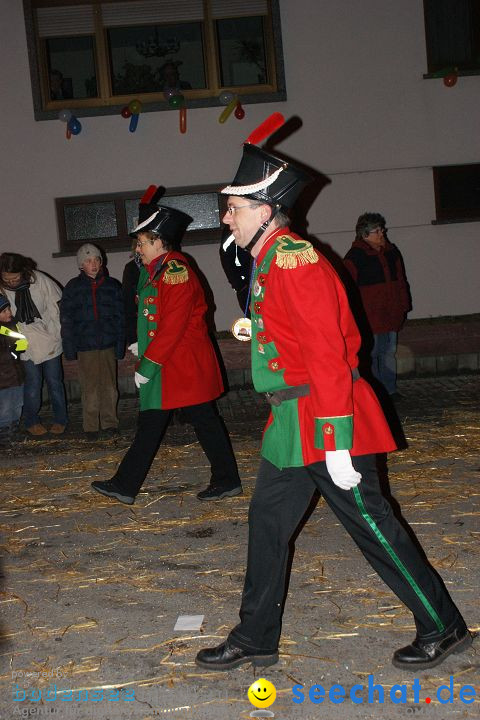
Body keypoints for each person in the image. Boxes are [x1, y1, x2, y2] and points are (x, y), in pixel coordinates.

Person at [195, 126, 471, 672]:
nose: (226, 217)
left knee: (373, 527)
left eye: (234, 208)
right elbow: (302, 335)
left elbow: (330, 357)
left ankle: (443, 625)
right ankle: (255, 636)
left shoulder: (295, 259)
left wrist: (336, 441)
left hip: (323, 416)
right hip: (289, 424)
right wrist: (260, 328)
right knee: (267, 524)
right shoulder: (272, 259)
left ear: (266, 209)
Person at [91, 197, 242, 504]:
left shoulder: (175, 269)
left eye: (143, 242)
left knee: (193, 421)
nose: (138, 249)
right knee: (177, 422)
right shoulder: (156, 269)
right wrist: (140, 345)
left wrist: (147, 365)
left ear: (159, 242)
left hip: (179, 365)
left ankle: (127, 484)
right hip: (171, 364)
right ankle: (127, 484)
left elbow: (172, 326)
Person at [60, 244, 125, 440]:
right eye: (88, 261)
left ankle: (110, 423)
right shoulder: (72, 288)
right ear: (81, 265)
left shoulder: (113, 286)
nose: (94, 264)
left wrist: (120, 344)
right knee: (90, 388)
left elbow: (120, 317)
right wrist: (69, 347)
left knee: (109, 386)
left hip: (107, 344)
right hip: (85, 346)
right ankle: (90, 426)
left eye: (97, 259)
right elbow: (66, 319)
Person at [0, 253, 68, 436]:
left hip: (48, 338)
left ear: (23, 272)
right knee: (32, 382)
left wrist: (56, 333)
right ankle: (31, 420)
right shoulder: (1, 288)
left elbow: (57, 307)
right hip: (24, 341)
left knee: (55, 382)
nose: (12, 282)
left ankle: (60, 419)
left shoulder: (40, 281)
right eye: (7, 279)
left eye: (15, 278)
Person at [344, 213, 411, 398]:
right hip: (370, 316)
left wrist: (403, 306)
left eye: (382, 230)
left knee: (389, 353)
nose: (382, 234)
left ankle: (390, 390)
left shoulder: (391, 252)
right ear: (365, 235)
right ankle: (375, 393)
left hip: (391, 313)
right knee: (372, 354)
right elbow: (347, 288)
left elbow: (401, 281)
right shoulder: (354, 257)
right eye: (377, 231)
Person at [0, 295, 26, 447]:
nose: (8, 312)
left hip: (16, 376)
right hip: (3, 379)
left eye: (8, 309)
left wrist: (18, 348)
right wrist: (12, 352)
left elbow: (21, 341)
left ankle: (14, 430)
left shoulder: (11, 327)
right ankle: (4, 434)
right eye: (3, 311)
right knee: (4, 407)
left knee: (17, 404)